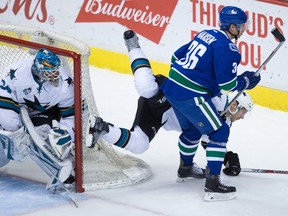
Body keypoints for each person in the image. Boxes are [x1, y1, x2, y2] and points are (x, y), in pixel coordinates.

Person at [88, 29, 253, 183]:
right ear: (235, 104)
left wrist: (226, 157)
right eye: (243, 111)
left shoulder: (223, 122)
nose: (243, 116)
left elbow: (207, 139)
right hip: (168, 94)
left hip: (162, 117)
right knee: (146, 87)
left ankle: (102, 129)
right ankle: (134, 47)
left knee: (140, 145)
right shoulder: (218, 98)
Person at [159, 6, 261, 201]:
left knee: (193, 131)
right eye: (242, 26)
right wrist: (246, 81)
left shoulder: (206, 34)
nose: (244, 29)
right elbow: (228, 84)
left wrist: (196, 76)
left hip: (172, 87)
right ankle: (213, 184)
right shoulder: (229, 49)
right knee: (220, 131)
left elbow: (175, 57)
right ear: (232, 27)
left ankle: (185, 168)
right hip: (191, 94)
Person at [0, 48, 75, 191]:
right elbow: (4, 104)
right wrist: (15, 130)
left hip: (45, 114)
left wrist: (64, 132)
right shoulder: (16, 73)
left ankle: (65, 172)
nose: (56, 74)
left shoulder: (65, 83)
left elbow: (71, 115)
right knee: (9, 132)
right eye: (50, 71)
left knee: (45, 138)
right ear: (39, 68)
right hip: (16, 110)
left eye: (56, 70)